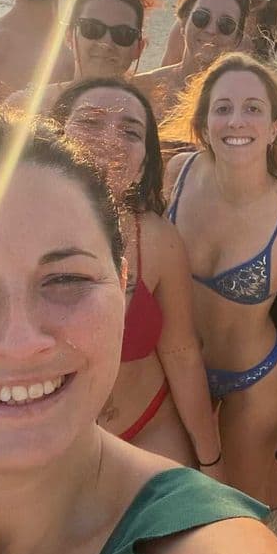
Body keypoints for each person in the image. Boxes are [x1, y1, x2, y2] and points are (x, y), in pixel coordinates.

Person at [0, 109, 277, 554]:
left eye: (66, 280)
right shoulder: (187, 178)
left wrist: (215, 456)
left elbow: (181, 349)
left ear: (123, 278)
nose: (21, 343)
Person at [163, 53, 277, 504]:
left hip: (252, 380)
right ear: (203, 123)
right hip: (177, 370)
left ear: (275, 128)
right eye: (223, 108)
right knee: (175, 494)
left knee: (238, 501)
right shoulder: (177, 175)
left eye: (253, 108)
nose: (237, 120)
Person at [51, 77, 221, 472]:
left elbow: (180, 352)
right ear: (55, 133)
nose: (110, 139)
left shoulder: (160, 241)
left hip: (149, 427)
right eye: (90, 122)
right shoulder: (8, 232)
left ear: (145, 158)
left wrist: (211, 458)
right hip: (51, 442)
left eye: (130, 131)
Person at [5, 0, 155, 115]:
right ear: (69, 35)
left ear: (139, 48)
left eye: (123, 34)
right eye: (92, 28)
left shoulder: (145, 115)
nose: (106, 43)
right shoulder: (24, 106)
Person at [138, 0, 249, 121]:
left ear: (237, 40)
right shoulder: (143, 88)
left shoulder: (246, 100)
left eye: (226, 25)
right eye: (201, 17)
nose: (211, 30)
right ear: (183, 25)